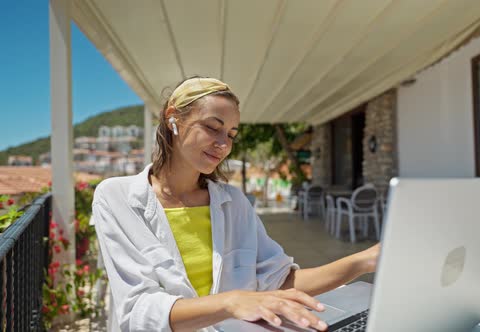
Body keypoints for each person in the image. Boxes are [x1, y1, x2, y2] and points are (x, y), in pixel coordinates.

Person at [92, 76, 380, 332]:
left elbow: (279, 280)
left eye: (231, 134)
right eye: (212, 127)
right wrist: (232, 301)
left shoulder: (235, 203)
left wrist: (362, 261)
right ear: (173, 120)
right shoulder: (116, 197)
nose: (223, 144)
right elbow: (139, 310)